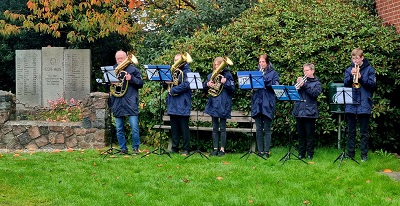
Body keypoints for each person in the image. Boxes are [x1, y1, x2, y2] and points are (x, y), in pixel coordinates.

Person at [344, 48, 376, 162]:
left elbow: (372, 86)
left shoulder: (370, 70)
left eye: (357, 58)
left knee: (363, 132)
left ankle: (364, 155)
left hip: (364, 102)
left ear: (362, 58)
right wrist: (350, 77)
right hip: (351, 102)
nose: (355, 61)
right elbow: (346, 84)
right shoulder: (349, 69)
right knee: (351, 131)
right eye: (353, 58)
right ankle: (350, 153)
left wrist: (361, 78)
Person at [110, 50, 143, 155]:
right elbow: (107, 86)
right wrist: (110, 82)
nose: (119, 60)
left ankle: (135, 148)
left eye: (121, 58)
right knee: (119, 128)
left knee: (134, 128)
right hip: (117, 102)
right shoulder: (112, 70)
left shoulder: (133, 70)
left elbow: (141, 83)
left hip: (130, 102)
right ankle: (123, 148)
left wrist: (131, 78)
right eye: (118, 58)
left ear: (125, 58)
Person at [203, 57, 235, 157]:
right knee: (215, 128)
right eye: (215, 65)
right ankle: (215, 148)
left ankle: (222, 149)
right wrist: (207, 84)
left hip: (223, 104)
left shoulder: (228, 75)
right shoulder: (211, 75)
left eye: (218, 64)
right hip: (213, 103)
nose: (216, 67)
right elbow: (204, 89)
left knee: (223, 127)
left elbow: (233, 89)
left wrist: (226, 83)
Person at [251, 54, 279, 158]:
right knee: (258, 128)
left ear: (267, 62)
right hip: (257, 102)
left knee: (267, 128)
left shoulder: (273, 73)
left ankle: (266, 151)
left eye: (263, 62)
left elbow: (276, 86)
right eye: (260, 62)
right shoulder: (255, 73)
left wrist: (264, 80)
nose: (261, 64)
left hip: (268, 103)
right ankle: (260, 151)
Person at [292, 63, 322, 160]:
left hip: (310, 111)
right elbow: (293, 92)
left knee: (309, 135)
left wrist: (304, 85)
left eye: (307, 70)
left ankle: (310, 154)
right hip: (299, 110)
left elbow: (315, 93)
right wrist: (297, 86)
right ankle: (301, 153)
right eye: (304, 70)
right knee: (301, 134)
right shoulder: (302, 82)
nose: (305, 72)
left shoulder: (317, 83)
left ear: (312, 71)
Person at [165, 53, 192, 155]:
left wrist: (173, 90)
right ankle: (174, 147)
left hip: (183, 102)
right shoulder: (172, 71)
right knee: (174, 126)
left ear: (183, 61)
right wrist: (165, 82)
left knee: (184, 127)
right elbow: (166, 84)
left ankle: (186, 148)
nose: (176, 62)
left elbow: (186, 85)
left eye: (178, 60)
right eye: (175, 60)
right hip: (172, 102)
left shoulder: (187, 71)